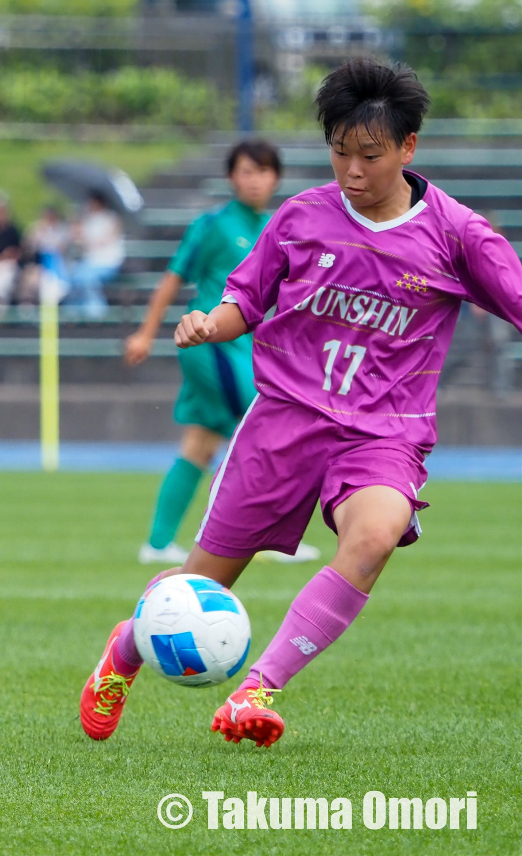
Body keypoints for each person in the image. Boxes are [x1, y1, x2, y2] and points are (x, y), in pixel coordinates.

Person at [80, 58, 522, 748]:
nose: (352, 170)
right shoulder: (300, 217)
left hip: (384, 432)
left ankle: (257, 688)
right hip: (284, 421)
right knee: (204, 582)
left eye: (369, 156)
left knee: (374, 537)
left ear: (408, 148)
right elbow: (242, 301)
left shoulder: (458, 235)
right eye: (340, 152)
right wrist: (208, 324)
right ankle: (124, 650)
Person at [124, 141, 318, 566]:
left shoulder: (274, 228)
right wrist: (145, 333)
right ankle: (263, 537)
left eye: (264, 172)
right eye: (247, 171)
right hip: (211, 348)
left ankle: (157, 543)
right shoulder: (213, 225)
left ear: (276, 178)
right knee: (268, 428)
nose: (256, 180)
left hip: (244, 351)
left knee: (199, 444)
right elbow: (173, 279)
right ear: (232, 177)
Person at [69, 192, 124, 318]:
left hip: (108, 262)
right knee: (76, 275)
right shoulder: (87, 220)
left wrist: (86, 238)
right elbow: (81, 243)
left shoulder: (112, 219)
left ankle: (97, 310)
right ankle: (77, 310)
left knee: (88, 278)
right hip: (90, 262)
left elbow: (104, 240)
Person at [19, 202, 75, 303]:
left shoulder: (62, 231)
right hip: (37, 265)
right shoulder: (36, 228)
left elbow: (63, 249)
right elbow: (26, 248)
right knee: (29, 280)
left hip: (57, 267)